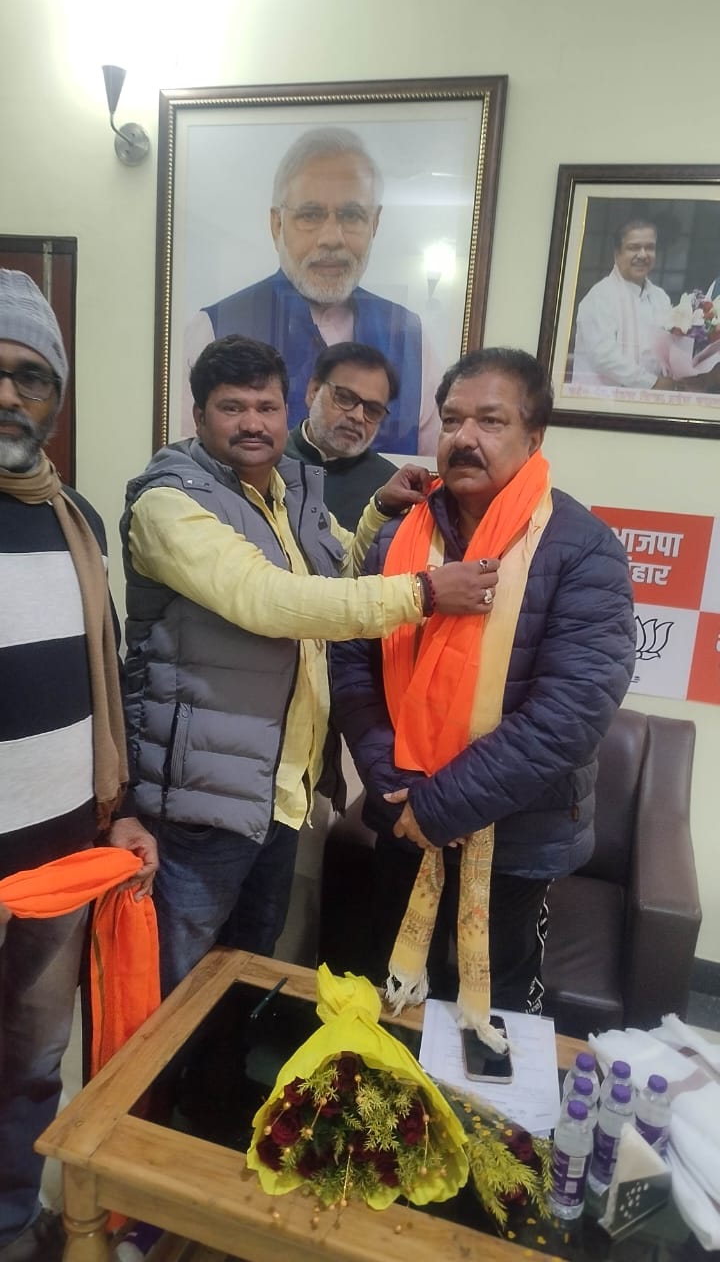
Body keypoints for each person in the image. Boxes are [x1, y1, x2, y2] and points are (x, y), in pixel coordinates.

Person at [120, 335, 497, 998]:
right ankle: (162, 1073)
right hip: (199, 797)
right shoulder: (169, 502)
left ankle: (227, 1070)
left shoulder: (285, 492)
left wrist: (380, 511)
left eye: (266, 407)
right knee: (174, 984)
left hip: (278, 787)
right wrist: (425, 593)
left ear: (285, 409)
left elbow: (333, 574)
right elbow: (268, 600)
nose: (253, 423)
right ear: (199, 415)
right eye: (232, 408)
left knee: (247, 970)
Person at [330, 347, 636, 1023]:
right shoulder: (399, 538)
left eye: (490, 421)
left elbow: (571, 711)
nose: (464, 438)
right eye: (451, 420)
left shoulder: (582, 548)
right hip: (402, 814)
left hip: (516, 837)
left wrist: (439, 806)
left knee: (491, 1019)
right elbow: (351, 658)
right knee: (390, 1000)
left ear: (534, 436)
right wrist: (387, 776)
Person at [0, 271, 158, 1262]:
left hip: (60, 855)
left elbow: (105, 682)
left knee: (32, 1063)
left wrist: (121, 809)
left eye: (30, 376)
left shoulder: (79, 521)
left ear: (55, 397)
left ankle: (12, 1223)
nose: (8, 395)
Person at [182, 127, 438, 454]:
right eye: (310, 215)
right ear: (277, 224)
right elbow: (188, 464)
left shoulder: (413, 339)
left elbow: (431, 470)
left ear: (374, 224)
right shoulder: (212, 329)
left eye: (351, 215)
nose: (331, 237)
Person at [284, 341, 398, 529]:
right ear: (313, 391)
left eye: (373, 410)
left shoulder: (388, 488)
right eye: (345, 397)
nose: (358, 417)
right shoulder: (267, 462)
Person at [570, 219, 674, 390]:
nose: (643, 255)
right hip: (601, 401)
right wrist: (653, 383)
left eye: (649, 247)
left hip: (651, 400)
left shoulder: (661, 298)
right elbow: (604, 356)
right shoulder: (599, 296)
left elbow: (667, 352)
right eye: (634, 247)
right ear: (617, 253)